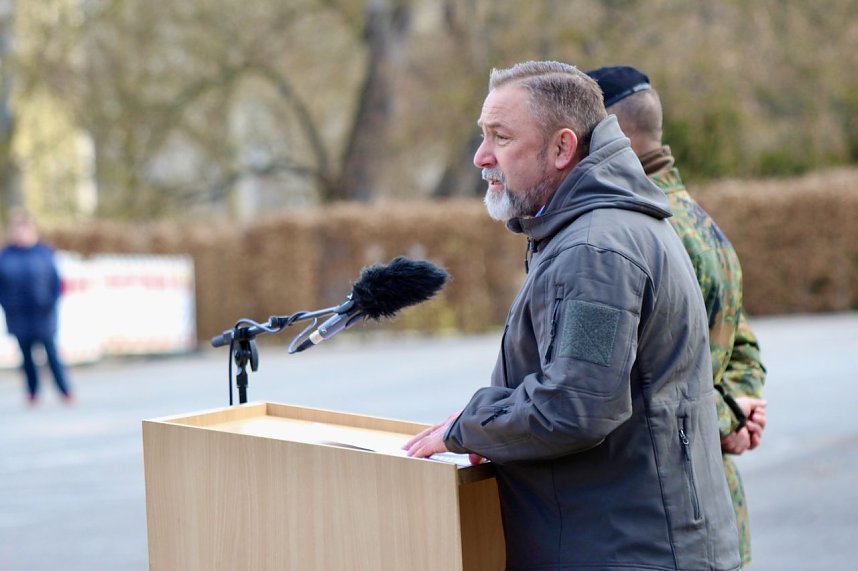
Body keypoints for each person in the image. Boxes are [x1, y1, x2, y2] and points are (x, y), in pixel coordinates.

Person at [404, 61, 740, 570]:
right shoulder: (597, 228)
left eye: (501, 137)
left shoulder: (595, 250)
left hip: (625, 553)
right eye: (483, 135)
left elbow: (574, 406)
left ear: (562, 148)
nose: (481, 156)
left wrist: (468, 426)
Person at [585, 65, 767, 567]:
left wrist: (731, 416)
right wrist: (741, 409)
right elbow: (742, 347)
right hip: (710, 499)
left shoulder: (641, 232)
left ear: (615, 134)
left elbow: (641, 383)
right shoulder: (696, 220)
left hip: (665, 507)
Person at [0, 208, 73, 406]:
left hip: (43, 313)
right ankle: (32, 393)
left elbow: (56, 282)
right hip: (18, 314)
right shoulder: (6, 256)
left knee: (51, 353)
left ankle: (65, 390)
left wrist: (51, 301)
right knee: (26, 357)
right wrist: (6, 304)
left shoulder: (44, 253)